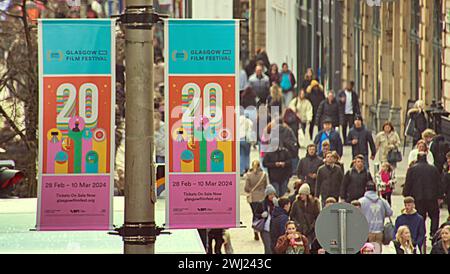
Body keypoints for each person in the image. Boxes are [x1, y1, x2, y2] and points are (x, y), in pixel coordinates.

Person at [403, 152, 444, 238]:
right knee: (434, 215)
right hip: (431, 197)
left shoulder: (412, 169)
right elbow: (439, 183)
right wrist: (440, 196)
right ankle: (433, 233)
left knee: (420, 216)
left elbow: (408, 184)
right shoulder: (433, 169)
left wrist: (406, 194)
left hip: (417, 198)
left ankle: (421, 233)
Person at [359, 182, 393, 253]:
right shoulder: (382, 201)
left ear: (366, 189)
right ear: (375, 190)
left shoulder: (361, 201)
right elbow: (390, 212)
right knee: (377, 251)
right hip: (379, 231)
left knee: (367, 251)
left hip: (366, 232)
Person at [244, 160, 268, 241]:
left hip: (253, 198)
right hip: (261, 197)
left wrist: (251, 190)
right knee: (261, 213)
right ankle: (260, 227)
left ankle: (255, 229)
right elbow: (266, 186)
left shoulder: (248, 175)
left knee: (254, 213)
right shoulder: (263, 175)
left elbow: (246, 188)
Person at [255, 184, 278, 254]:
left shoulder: (278, 202)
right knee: (268, 249)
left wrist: (277, 205)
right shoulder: (262, 204)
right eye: (270, 194)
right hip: (266, 229)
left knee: (275, 248)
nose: (272, 196)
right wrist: (261, 215)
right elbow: (256, 214)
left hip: (276, 229)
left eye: (273, 194)